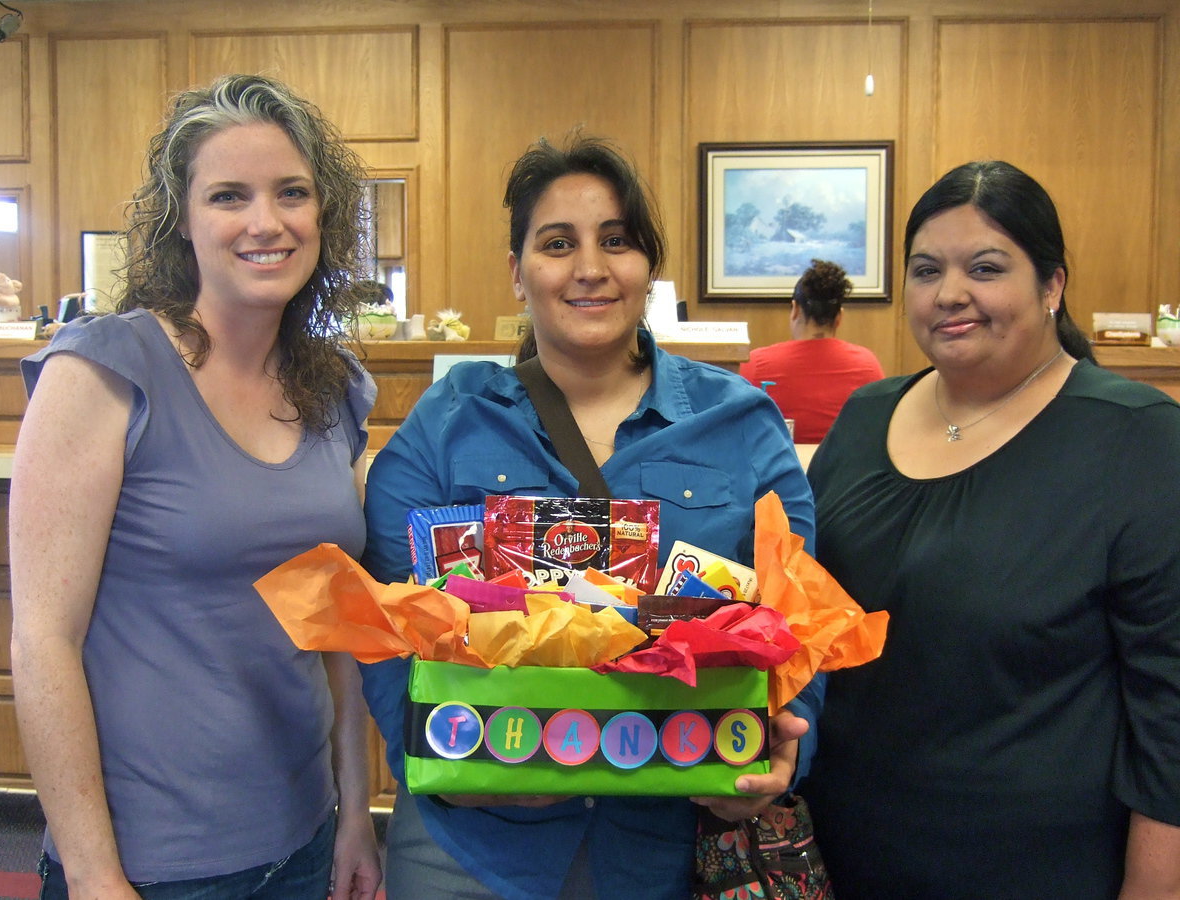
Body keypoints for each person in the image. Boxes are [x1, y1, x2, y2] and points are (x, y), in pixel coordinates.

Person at [359, 135, 821, 900]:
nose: (590, 268)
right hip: (470, 848)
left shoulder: (741, 422)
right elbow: (381, 625)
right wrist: (426, 752)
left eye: (617, 240)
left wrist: (782, 753)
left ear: (648, 268)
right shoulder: (447, 423)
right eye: (557, 243)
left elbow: (801, 611)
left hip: (668, 841)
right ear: (517, 272)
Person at [9, 74, 383, 900]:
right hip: (151, 863)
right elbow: (41, 643)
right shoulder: (105, 369)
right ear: (183, 218)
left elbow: (343, 630)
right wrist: (96, 874)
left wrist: (357, 809)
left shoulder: (337, 389)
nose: (265, 222)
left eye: (292, 192)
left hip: (303, 836)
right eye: (228, 195)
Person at [801, 160, 1180, 898]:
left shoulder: (1139, 441)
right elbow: (804, 622)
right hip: (835, 860)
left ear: (1052, 286)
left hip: (1035, 870)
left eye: (985, 267)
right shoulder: (864, 417)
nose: (949, 294)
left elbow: (1172, 717)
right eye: (925, 269)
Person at [739, 259, 883, 444]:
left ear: (795, 310)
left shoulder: (756, 362)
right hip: (847, 471)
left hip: (780, 470)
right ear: (839, 317)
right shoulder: (867, 365)